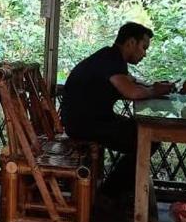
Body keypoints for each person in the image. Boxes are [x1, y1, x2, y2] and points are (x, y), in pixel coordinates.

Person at [60, 22, 176, 205]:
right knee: (148, 140)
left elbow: (133, 82)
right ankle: (109, 193)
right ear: (130, 42)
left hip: (90, 119)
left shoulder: (111, 57)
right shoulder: (111, 60)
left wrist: (153, 86)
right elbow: (133, 92)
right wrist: (156, 91)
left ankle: (113, 190)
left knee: (142, 134)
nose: (145, 54)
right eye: (143, 47)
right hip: (85, 124)